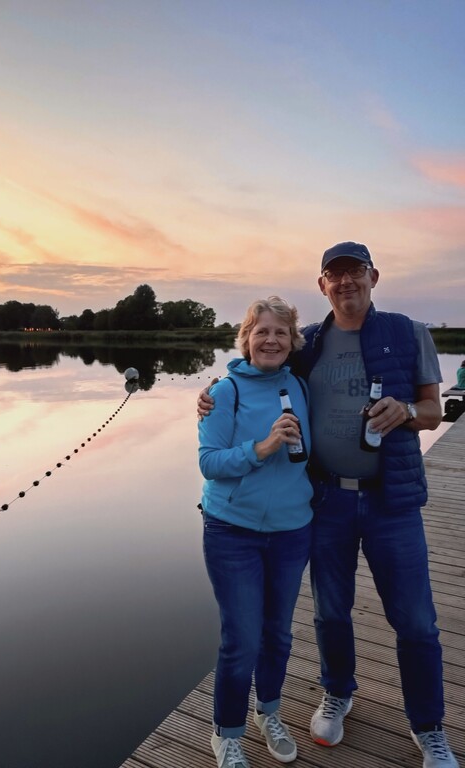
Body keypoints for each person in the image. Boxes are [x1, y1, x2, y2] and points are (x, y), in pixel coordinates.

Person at [198, 242, 460, 768]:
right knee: (331, 614)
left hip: (392, 502)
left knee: (416, 621)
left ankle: (429, 728)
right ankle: (337, 695)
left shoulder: (409, 333)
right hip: (327, 501)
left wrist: (407, 409)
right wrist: (212, 390)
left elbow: (434, 410)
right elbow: (256, 363)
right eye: (334, 275)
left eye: (355, 272)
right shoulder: (310, 343)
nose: (346, 283)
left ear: (373, 276)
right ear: (322, 286)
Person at [199, 296, 313, 767]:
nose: (270, 340)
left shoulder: (302, 387)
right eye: (261, 331)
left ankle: (269, 712)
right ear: (246, 338)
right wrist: (262, 447)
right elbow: (209, 463)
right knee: (241, 639)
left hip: (292, 530)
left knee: (278, 636)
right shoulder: (225, 392)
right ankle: (227, 734)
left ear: (292, 342)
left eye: (280, 332)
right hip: (233, 532)